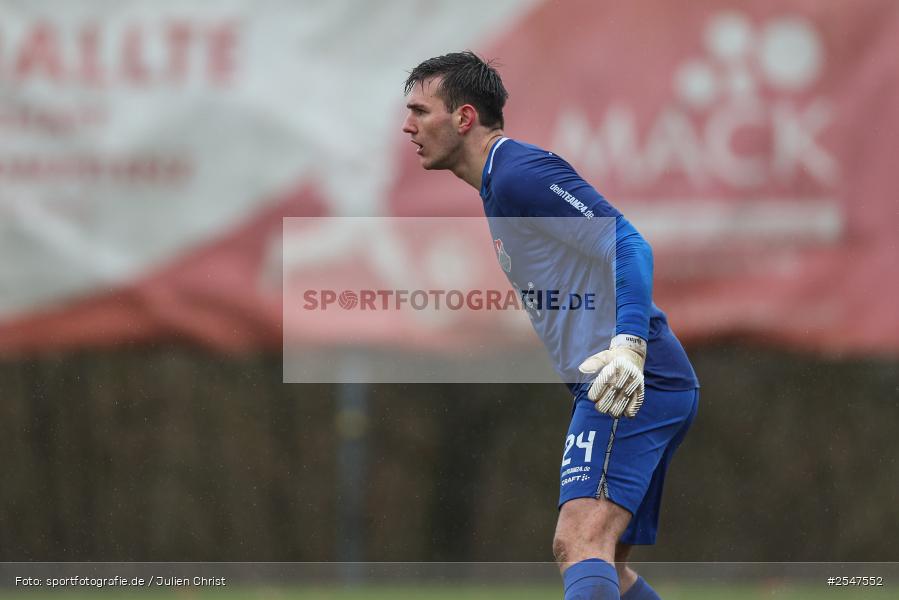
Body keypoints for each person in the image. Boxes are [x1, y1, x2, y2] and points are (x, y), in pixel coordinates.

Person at [402, 51, 700, 600]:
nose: (408, 125)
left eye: (421, 111)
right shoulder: (497, 185)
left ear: (464, 118)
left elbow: (625, 241)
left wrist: (629, 345)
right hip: (635, 380)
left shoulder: (517, 173)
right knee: (606, 564)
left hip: (631, 380)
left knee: (578, 543)